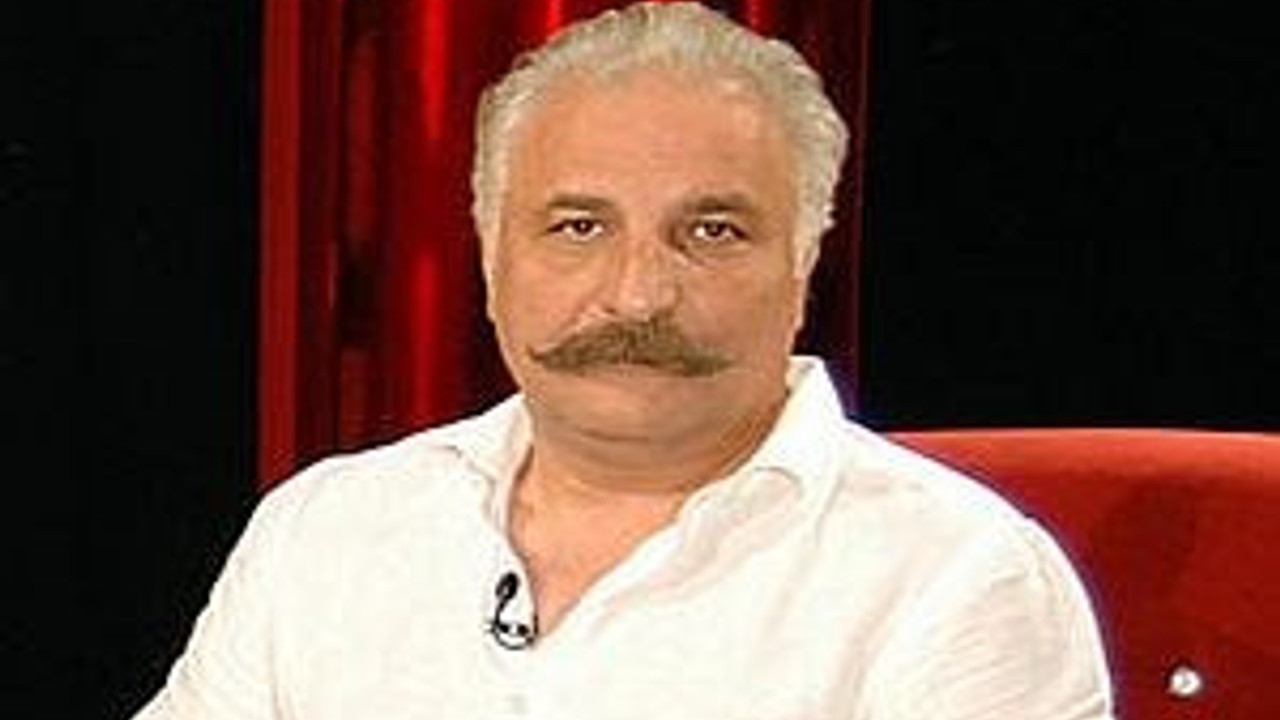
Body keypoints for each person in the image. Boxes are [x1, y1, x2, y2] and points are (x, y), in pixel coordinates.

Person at [133, 3, 1114, 718]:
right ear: (490, 255)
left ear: (803, 264)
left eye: (711, 231)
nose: (637, 295)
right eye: (577, 226)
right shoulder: (326, 529)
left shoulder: (956, 579)